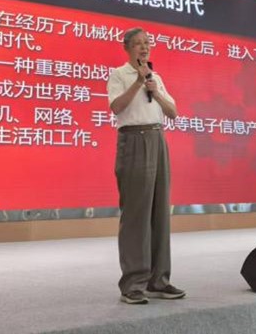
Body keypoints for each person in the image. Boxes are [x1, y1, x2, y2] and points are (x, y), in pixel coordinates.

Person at [107, 27, 185, 305]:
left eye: (147, 43)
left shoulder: (156, 77)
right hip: (134, 140)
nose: (144, 47)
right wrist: (138, 83)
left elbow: (173, 112)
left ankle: (158, 280)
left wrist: (155, 90)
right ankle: (133, 284)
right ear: (127, 48)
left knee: (160, 212)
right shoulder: (119, 74)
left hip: (157, 138)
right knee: (136, 214)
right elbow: (116, 107)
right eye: (138, 43)